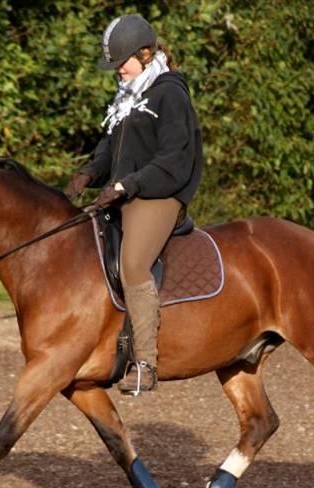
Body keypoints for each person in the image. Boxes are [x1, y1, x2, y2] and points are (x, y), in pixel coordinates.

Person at [66, 14, 203, 394]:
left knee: (132, 263)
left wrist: (129, 184)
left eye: (121, 62)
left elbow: (175, 158)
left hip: (159, 194)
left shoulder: (169, 93)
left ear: (145, 53)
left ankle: (145, 364)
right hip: (124, 193)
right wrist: (89, 174)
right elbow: (111, 149)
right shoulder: (129, 95)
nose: (116, 71)